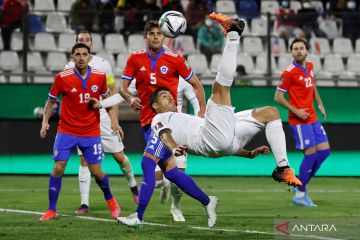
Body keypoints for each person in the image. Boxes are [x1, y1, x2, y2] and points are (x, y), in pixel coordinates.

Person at [92, 13, 302, 228]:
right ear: (155, 105)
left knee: (270, 113)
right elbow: (165, 133)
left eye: (170, 95)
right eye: (165, 97)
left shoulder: (177, 110)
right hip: (213, 137)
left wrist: (247, 153)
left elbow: (224, 144)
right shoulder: (160, 118)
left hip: (223, 139)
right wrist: (175, 147)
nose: (171, 97)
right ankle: (233, 34)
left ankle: (281, 167)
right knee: (221, 88)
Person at [119, 20, 206, 222]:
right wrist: (130, 98)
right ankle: (207, 201)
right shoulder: (135, 59)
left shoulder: (175, 59)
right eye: (152, 33)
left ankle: (138, 217)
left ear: (164, 36)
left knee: (148, 164)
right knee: (171, 174)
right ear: (145, 36)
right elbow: (123, 88)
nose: (156, 36)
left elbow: (196, 84)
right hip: (147, 122)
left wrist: (201, 110)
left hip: (168, 123)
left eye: (159, 33)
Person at [39, 43, 120, 221]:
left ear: (89, 56)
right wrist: (45, 122)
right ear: (72, 57)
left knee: (97, 171)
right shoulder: (62, 77)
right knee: (58, 167)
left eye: (85, 54)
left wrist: (114, 122)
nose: (81, 57)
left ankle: (111, 199)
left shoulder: (99, 77)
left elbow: (107, 101)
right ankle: (51, 210)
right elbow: (51, 101)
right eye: (77, 54)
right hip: (66, 130)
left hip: (90, 131)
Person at [64, 30, 139, 215]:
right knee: (84, 161)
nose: (84, 42)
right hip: (83, 122)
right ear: (75, 46)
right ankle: (84, 204)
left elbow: (112, 93)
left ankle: (134, 188)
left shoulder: (103, 65)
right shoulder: (68, 67)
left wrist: (115, 121)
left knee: (119, 157)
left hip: (103, 118)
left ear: (91, 44)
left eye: (87, 39)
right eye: (80, 40)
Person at [274, 38, 330, 207]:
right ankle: (300, 193)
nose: (298, 51)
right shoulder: (289, 72)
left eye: (301, 48)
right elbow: (277, 97)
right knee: (311, 155)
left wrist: (319, 103)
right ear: (291, 52)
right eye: (295, 48)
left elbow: (313, 86)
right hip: (299, 121)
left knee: (324, 152)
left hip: (312, 117)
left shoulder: (310, 66)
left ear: (307, 51)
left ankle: (300, 183)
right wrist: (296, 111)